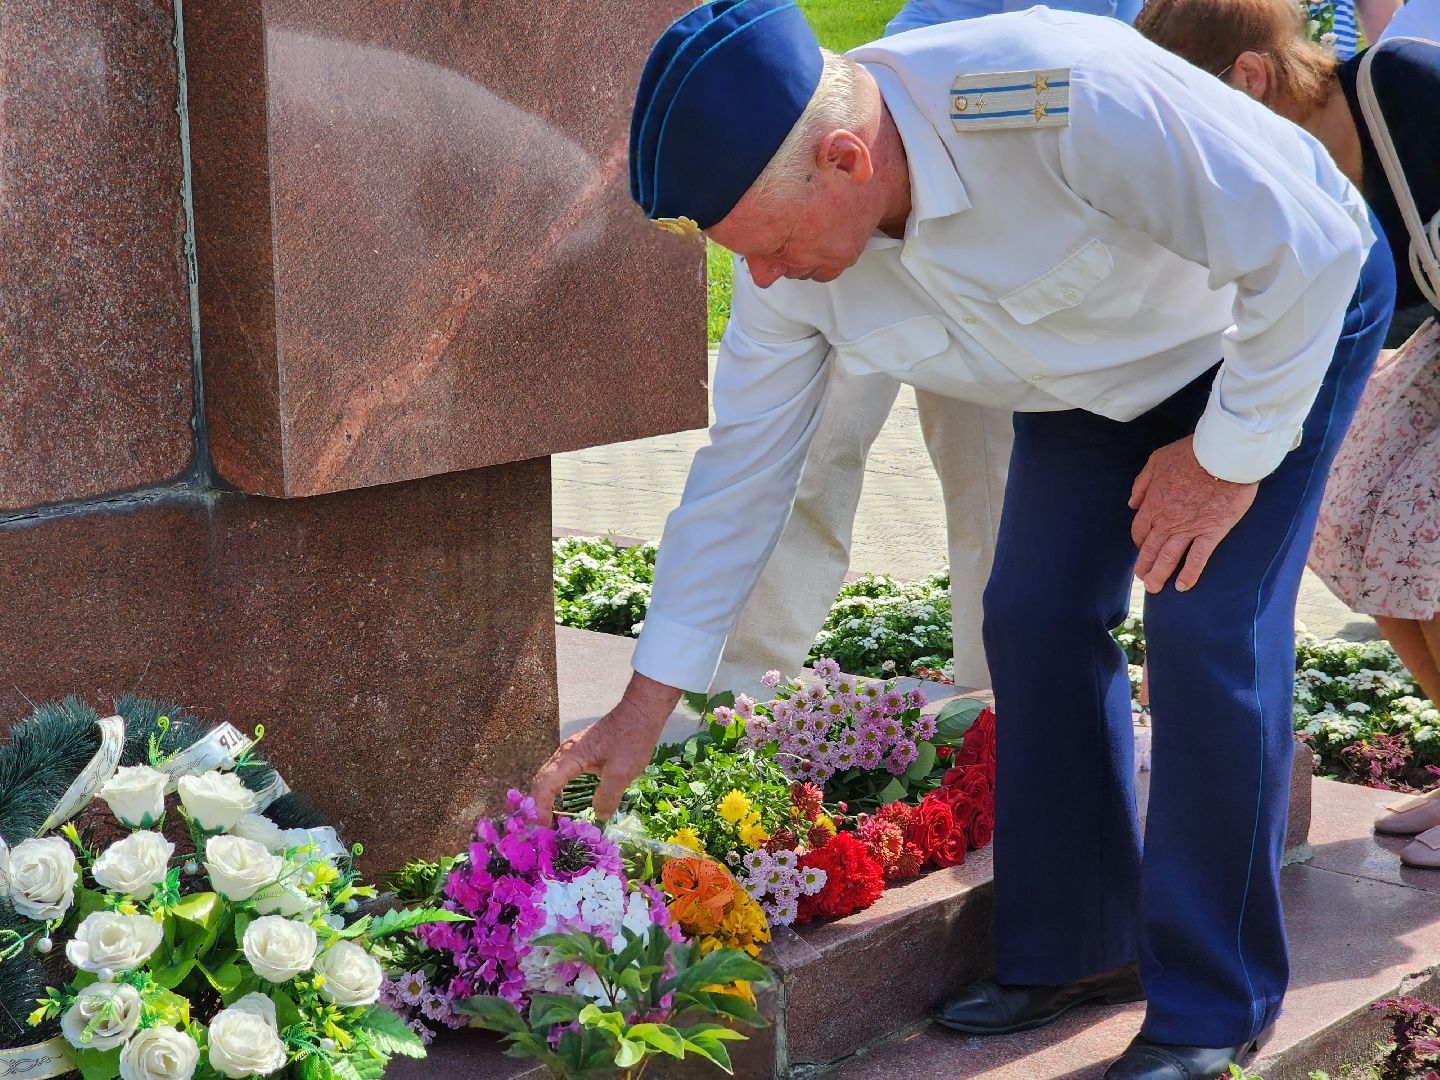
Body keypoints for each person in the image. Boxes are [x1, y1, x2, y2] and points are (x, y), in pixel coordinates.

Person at [534, 2, 1392, 1075]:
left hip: (1277, 319)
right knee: (1030, 612)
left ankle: (1216, 1004)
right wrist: (640, 705)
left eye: (769, 247)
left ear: (846, 159)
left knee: (1207, 628)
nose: (759, 280)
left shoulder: (1058, 93)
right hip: (1092, 368)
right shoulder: (791, 258)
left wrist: (1221, 462)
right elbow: (738, 481)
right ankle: (1081, 943)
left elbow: (1305, 251)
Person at [715, 0, 1147, 700]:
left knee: (997, 481)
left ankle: (1006, 711)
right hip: (885, 166)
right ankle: (730, 695)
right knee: (808, 450)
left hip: (1019, 212)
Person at [1137, 1, 1440, 866]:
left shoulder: (1399, 82)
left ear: (1252, 79)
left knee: (1430, 535)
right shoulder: (1285, 173)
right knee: (1357, 512)